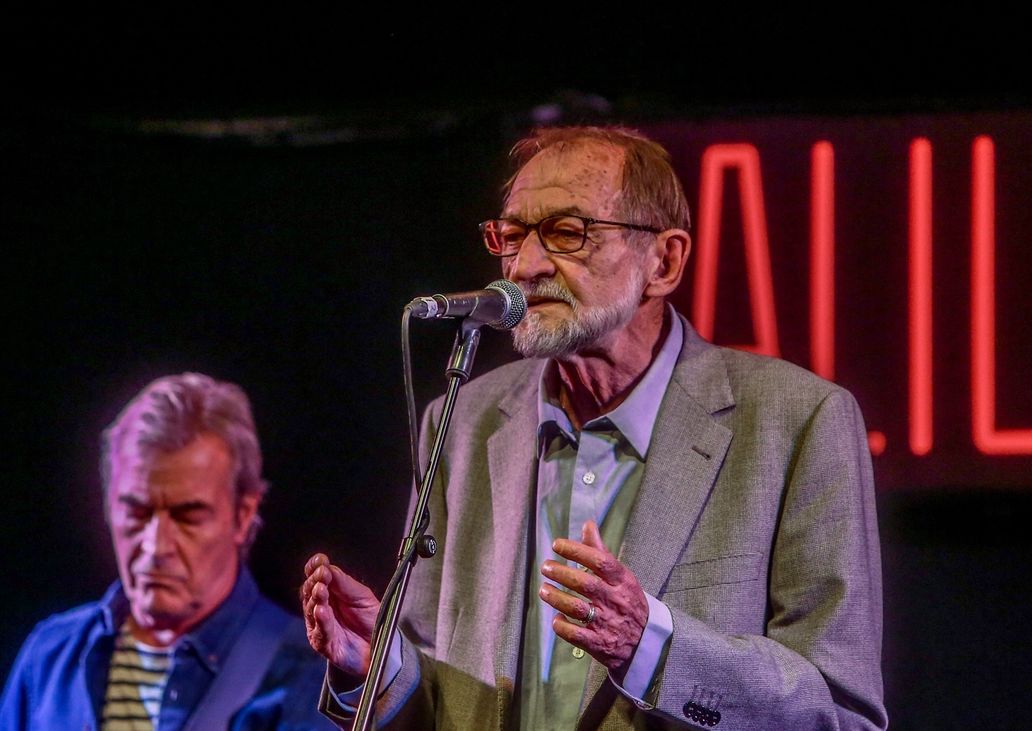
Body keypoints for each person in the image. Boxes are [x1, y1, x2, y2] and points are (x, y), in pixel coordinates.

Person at [303, 126, 887, 729]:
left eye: (566, 232)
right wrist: (382, 668)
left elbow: (839, 713)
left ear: (664, 261)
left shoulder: (798, 422)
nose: (523, 267)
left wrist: (652, 648)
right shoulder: (463, 423)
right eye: (510, 236)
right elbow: (445, 700)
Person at [1, 372, 334, 731]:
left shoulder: (310, 675)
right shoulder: (49, 656)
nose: (155, 546)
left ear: (243, 515)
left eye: (188, 516)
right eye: (136, 512)